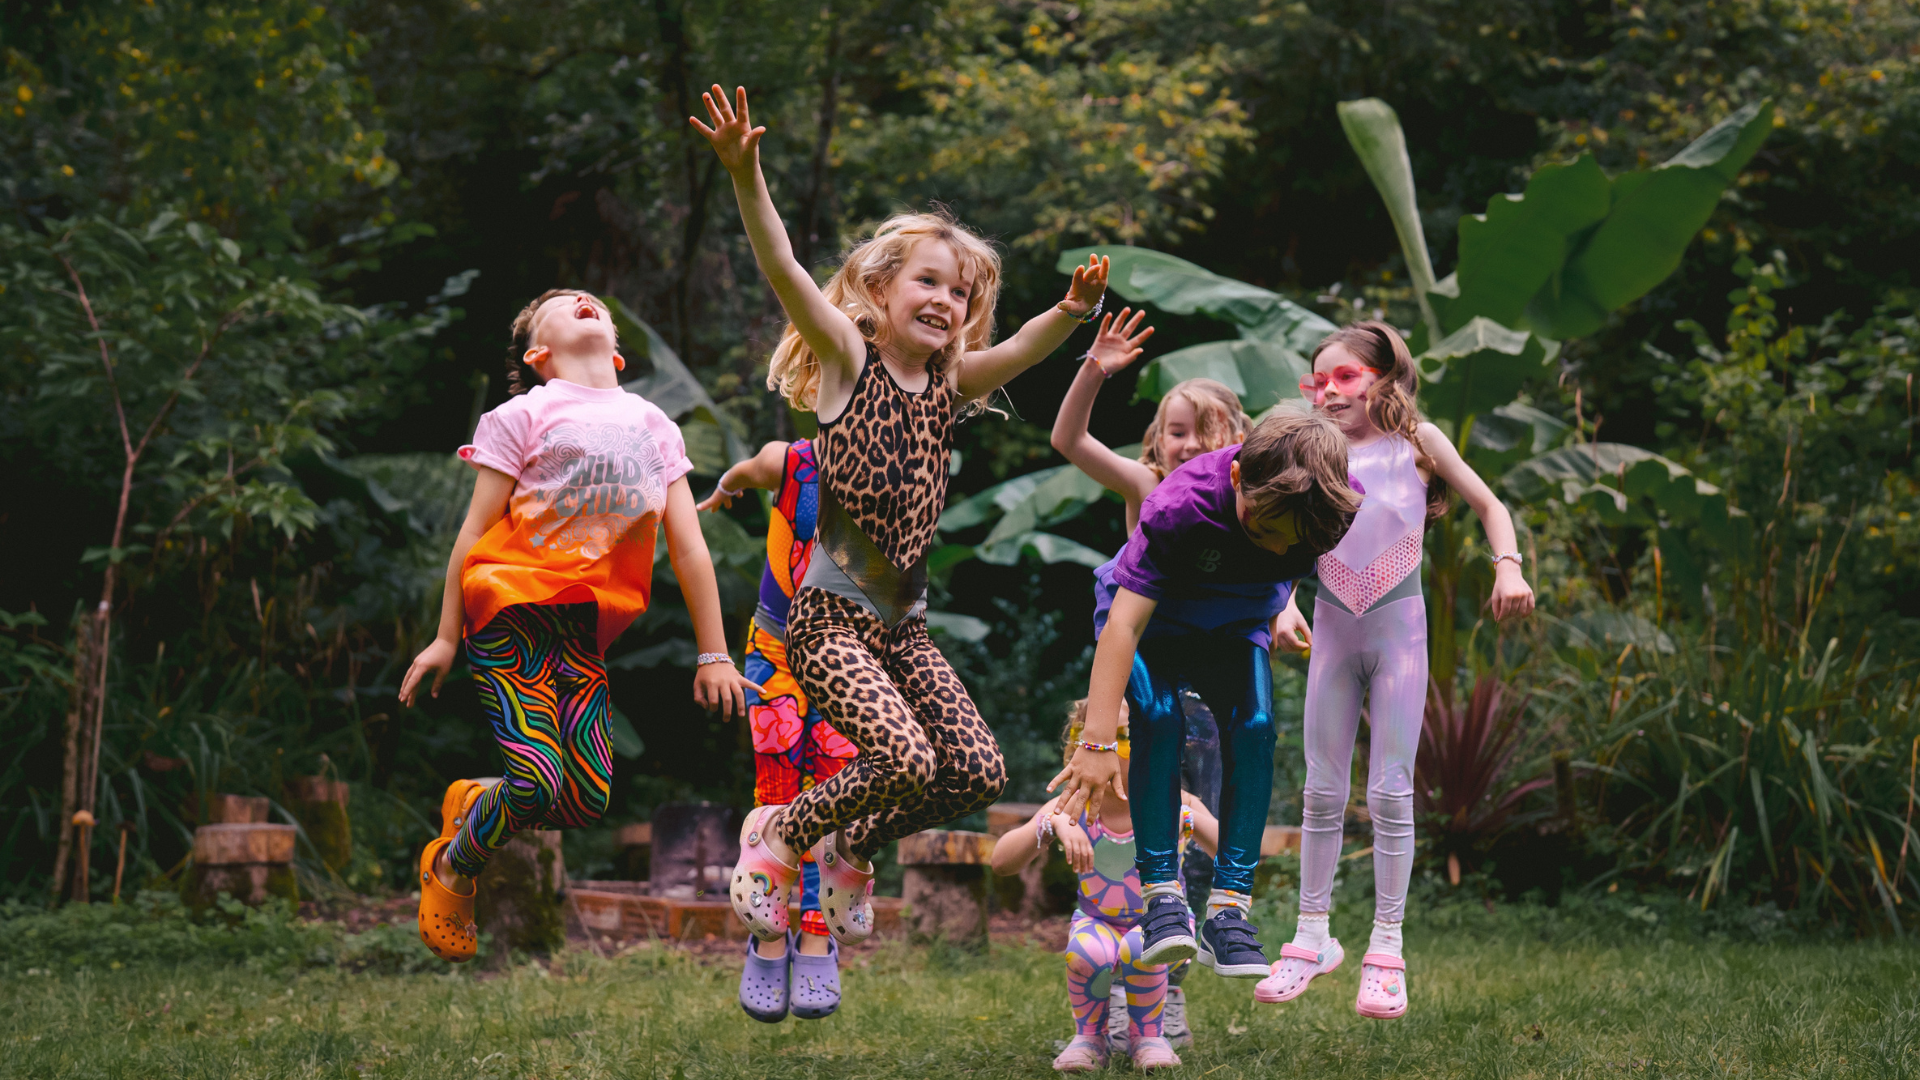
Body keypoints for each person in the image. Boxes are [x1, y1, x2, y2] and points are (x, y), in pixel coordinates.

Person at [690, 85, 1110, 964]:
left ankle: (851, 846)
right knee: (905, 760)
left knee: (976, 770)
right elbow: (784, 268)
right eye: (928, 281)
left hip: (902, 629)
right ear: (880, 289)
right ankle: (780, 836)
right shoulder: (850, 358)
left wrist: (1070, 313)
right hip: (831, 621)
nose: (946, 300)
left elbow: (1020, 351)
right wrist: (744, 174)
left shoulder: (950, 384)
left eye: (960, 292)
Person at [399, 289, 758, 964]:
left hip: (580, 633)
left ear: (618, 351)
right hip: (509, 612)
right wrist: (446, 637)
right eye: (562, 304)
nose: (582, 299)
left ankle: (480, 801)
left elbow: (688, 550)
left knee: (584, 799)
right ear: (539, 353)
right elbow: (472, 533)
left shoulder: (656, 425)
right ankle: (451, 864)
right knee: (538, 783)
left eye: (590, 300)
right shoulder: (523, 414)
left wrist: (714, 654)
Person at [1254, 321, 1535, 1019]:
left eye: (1345, 376)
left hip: (1398, 635)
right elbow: (1282, 541)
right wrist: (1283, 603)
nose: (1329, 391)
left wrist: (1508, 567)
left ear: (1384, 377)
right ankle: (1311, 936)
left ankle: (1386, 949)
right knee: (1321, 790)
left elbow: (1490, 505)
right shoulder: (1313, 452)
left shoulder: (1419, 443)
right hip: (1333, 631)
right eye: (1318, 380)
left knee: (1389, 791)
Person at [1049, 411, 1360, 984]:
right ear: (1238, 477)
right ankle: (1162, 901)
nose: (1275, 546)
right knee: (1160, 716)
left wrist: (1283, 604)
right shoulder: (1181, 507)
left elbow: (1289, 567)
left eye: (1288, 540)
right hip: (1154, 624)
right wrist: (1096, 741)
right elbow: (1123, 626)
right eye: (1264, 529)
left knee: (1256, 727)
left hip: (1234, 621)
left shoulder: (1331, 504)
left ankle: (1227, 913)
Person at [1048, 308, 1250, 1031]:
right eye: (1176, 430)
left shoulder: (1246, 506)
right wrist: (1094, 370)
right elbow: (1068, 440)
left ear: (1238, 440)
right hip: (1144, 694)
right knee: (1137, 834)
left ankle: (1169, 983)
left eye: (1207, 430)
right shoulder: (1145, 485)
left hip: (1209, 700)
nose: (1189, 443)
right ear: (1156, 442)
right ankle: (1114, 980)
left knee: (1193, 838)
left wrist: (1288, 612)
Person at [699, 440, 859, 1021]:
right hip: (775, 648)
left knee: (836, 795)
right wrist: (726, 488)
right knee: (777, 792)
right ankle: (768, 936)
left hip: (852, 656)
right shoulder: (790, 461)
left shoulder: (897, 470)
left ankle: (816, 934)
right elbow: (744, 471)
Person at [990, 701, 1219, 1073]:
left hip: (1163, 922)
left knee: (1141, 947)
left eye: (1127, 737)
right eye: (1102, 739)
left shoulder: (1172, 800)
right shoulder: (1072, 806)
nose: (1113, 751)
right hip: (1098, 919)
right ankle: (1089, 1039)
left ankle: (1148, 1037)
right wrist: (1052, 824)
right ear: (1081, 748)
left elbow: (1232, 853)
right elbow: (1002, 862)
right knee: (1086, 951)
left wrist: (1186, 817)